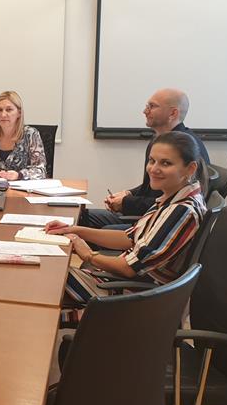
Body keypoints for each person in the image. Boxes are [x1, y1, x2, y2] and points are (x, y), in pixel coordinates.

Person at [46, 131, 207, 308]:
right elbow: (128, 238)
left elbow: (129, 268)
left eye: (166, 163)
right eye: (152, 161)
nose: (153, 169)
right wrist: (74, 230)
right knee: (51, 275)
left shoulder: (181, 211)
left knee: (50, 277)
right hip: (136, 284)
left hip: (143, 297)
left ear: (190, 169)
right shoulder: (171, 199)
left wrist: (88, 254)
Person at [84, 88, 211, 229]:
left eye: (152, 106)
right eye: (146, 106)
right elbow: (151, 187)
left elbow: (169, 203)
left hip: (160, 221)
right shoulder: (160, 141)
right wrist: (129, 193)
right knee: (83, 216)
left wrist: (126, 202)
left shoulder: (185, 147)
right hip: (149, 214)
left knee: (96, 227)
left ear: (173, 113)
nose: (145, 111)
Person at [0, 91, 47, 180]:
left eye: (9, 110)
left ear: (19, 113)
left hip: (21, 191)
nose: (3, 114)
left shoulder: (30, 135)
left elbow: (41, 170)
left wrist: (19, 175)